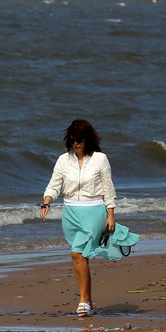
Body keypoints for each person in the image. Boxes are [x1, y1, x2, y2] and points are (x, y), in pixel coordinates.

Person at [40, 119, 139, 317]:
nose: (76, 143)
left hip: (94, 211)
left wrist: (111, 214)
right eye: (72, 139)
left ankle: (83, 300)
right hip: (70, 213)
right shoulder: (62, 160)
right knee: (79, 255)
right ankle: (89, 301)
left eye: (79, 139)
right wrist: (47, 201)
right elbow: (54, 184)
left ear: (88, 139)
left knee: (78, 254)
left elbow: (108, 188)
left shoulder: (100, 159)